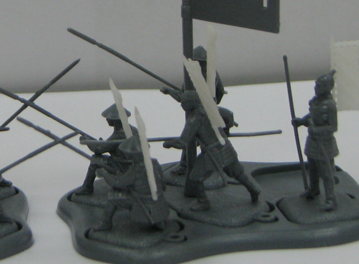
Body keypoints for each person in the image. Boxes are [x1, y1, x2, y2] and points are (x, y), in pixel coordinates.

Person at [163, 90, 260, 211]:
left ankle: (203, 202)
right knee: (238, 173)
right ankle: (253, 189)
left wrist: (168, 143)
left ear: (191, 103)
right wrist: (169, 92)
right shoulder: (210, 109)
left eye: (183, 103)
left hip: (212, 153)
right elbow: (228, 115)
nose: (181, 105)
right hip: (226, 146)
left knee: (195, 178)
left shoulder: (194, 120)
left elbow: (182, 143)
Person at [161, 45, 226, 176]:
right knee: (192, 139)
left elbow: (184, 97)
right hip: (200, 112)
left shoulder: (208, 76)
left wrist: (172, 92)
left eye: (201, 63)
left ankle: (193, 166)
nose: (200, 65)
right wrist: (172, 92)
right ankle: (186, 165)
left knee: (194, 139)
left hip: (203, 115)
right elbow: (183, 95)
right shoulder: (193, 75)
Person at [93, 135, 169, 231]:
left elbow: (118, 183)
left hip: (141, 200)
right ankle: (159, 221)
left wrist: (104, 174)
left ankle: (105, 223)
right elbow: (162, 184)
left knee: (112, 197)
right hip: (158, 197)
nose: (126, 155)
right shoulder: (154, 163)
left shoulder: (136, 170)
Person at [293, 70, 339, 211]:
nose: (315, 88)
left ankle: (330, 199)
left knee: (326, 173)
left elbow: (333, 127)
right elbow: (312, 115)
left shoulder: (330, 105)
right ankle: (314, 189)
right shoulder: (316, 101)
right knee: (312, 168)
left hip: (324, 143)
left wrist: (316, 130)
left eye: (319, 86)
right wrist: (302, 121)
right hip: (313, 142)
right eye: (316, 85)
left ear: (326, 88)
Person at [74, 104, 136, 195]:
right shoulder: (133, 130)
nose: (107, 119)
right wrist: (98, 143)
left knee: (95, 160)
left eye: (109, 118)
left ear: (115, 120)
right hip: (131, 163)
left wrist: (87, 141)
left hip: (122, 166)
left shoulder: (119, 134)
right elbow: (109, 145)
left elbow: (98, 150)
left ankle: (87, 187)